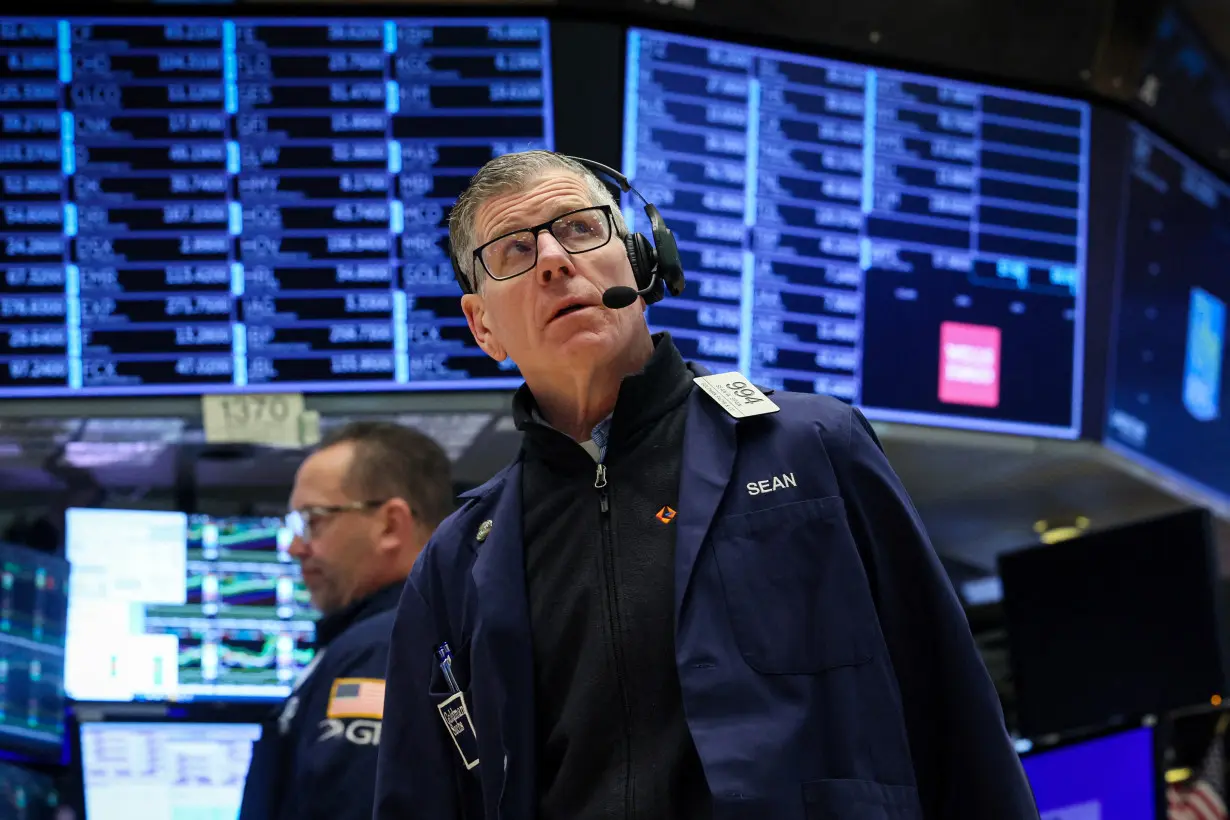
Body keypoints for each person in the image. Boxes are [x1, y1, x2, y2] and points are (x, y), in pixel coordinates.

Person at [373, 151, 1038, 819]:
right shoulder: (459, 561)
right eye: (514, 249)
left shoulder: (810, 447)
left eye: (579, 229)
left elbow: (958, 719)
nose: (553, 259)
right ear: (482, 325)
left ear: (640, 261)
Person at [237, 421, 454, 820]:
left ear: (390, 525)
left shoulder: (381, 650)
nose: (295, 546)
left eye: (313, 520)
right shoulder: (412, 633)